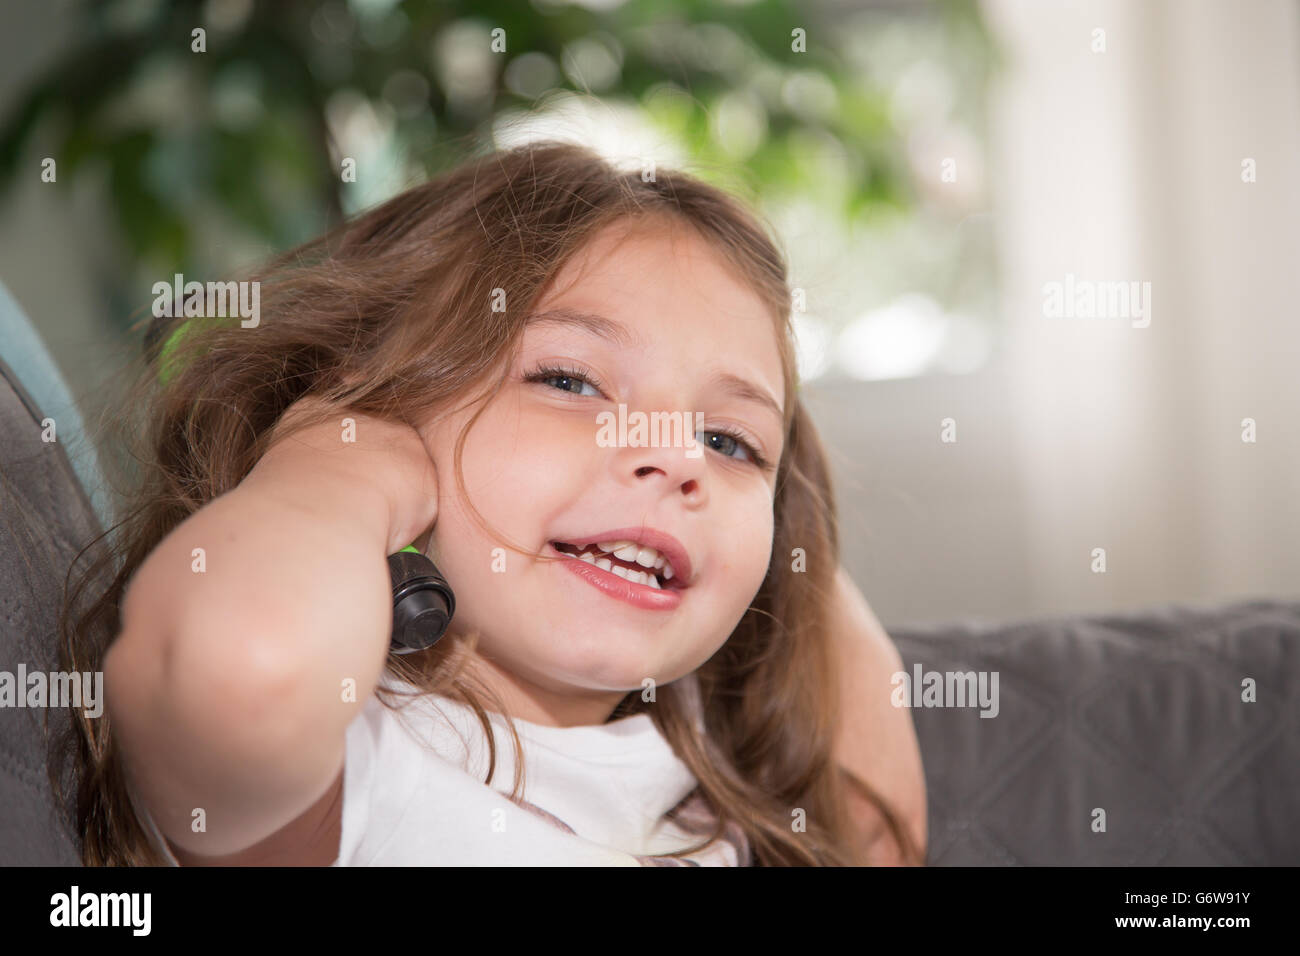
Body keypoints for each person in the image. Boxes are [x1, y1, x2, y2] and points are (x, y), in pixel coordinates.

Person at [52, 140, 926, 865]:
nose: (673, 458)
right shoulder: (359, 770)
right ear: (385, 416)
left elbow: (884, 836)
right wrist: (336, 449)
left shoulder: (705, 782)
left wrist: (780, 527)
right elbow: (242, 669)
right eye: (570, 381)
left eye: (727, 442)